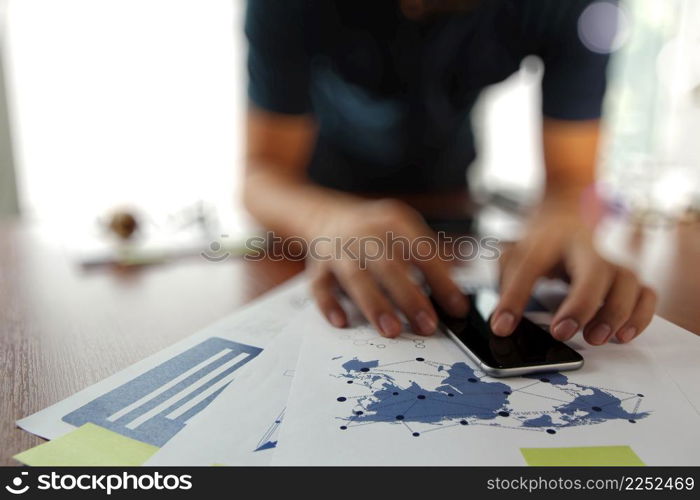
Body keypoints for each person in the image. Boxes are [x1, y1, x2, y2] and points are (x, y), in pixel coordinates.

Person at [242, 0, 656, 345]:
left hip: (453, 203)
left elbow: (572, 178)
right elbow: (261, 174)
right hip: (317, 210)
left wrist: (565, 219)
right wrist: (325, 220)